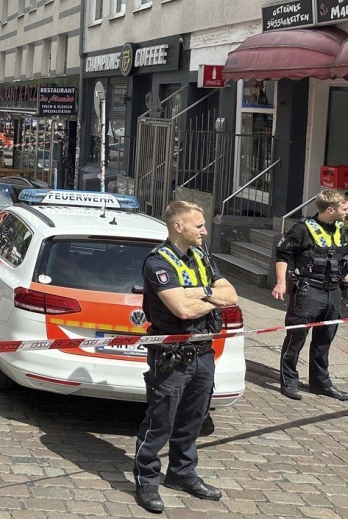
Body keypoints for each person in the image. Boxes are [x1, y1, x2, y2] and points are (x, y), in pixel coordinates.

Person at [133, 201, 237, 513]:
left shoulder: (202, 255)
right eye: (199, 225)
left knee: (194, 418)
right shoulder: (158, 263)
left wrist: (197, 292)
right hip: (172, 357)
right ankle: (147, 481)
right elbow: (182, 310)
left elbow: (232, 295)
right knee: (159, 422)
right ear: (179, 227)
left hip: (204, 352)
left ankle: (181, 473)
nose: (205, 230)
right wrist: (207, 295)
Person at [272, 189, 348, 401]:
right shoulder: (301, 230)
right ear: (330, 210)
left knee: (325, 339)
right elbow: (282, 254)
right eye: (344, 208)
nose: (347, 211)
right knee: (296, 338)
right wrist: (280, 283)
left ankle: (320, 383)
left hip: (332, 292)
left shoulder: (342, 228)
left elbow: (342, 259)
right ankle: (289, 381)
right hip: (308, 292)